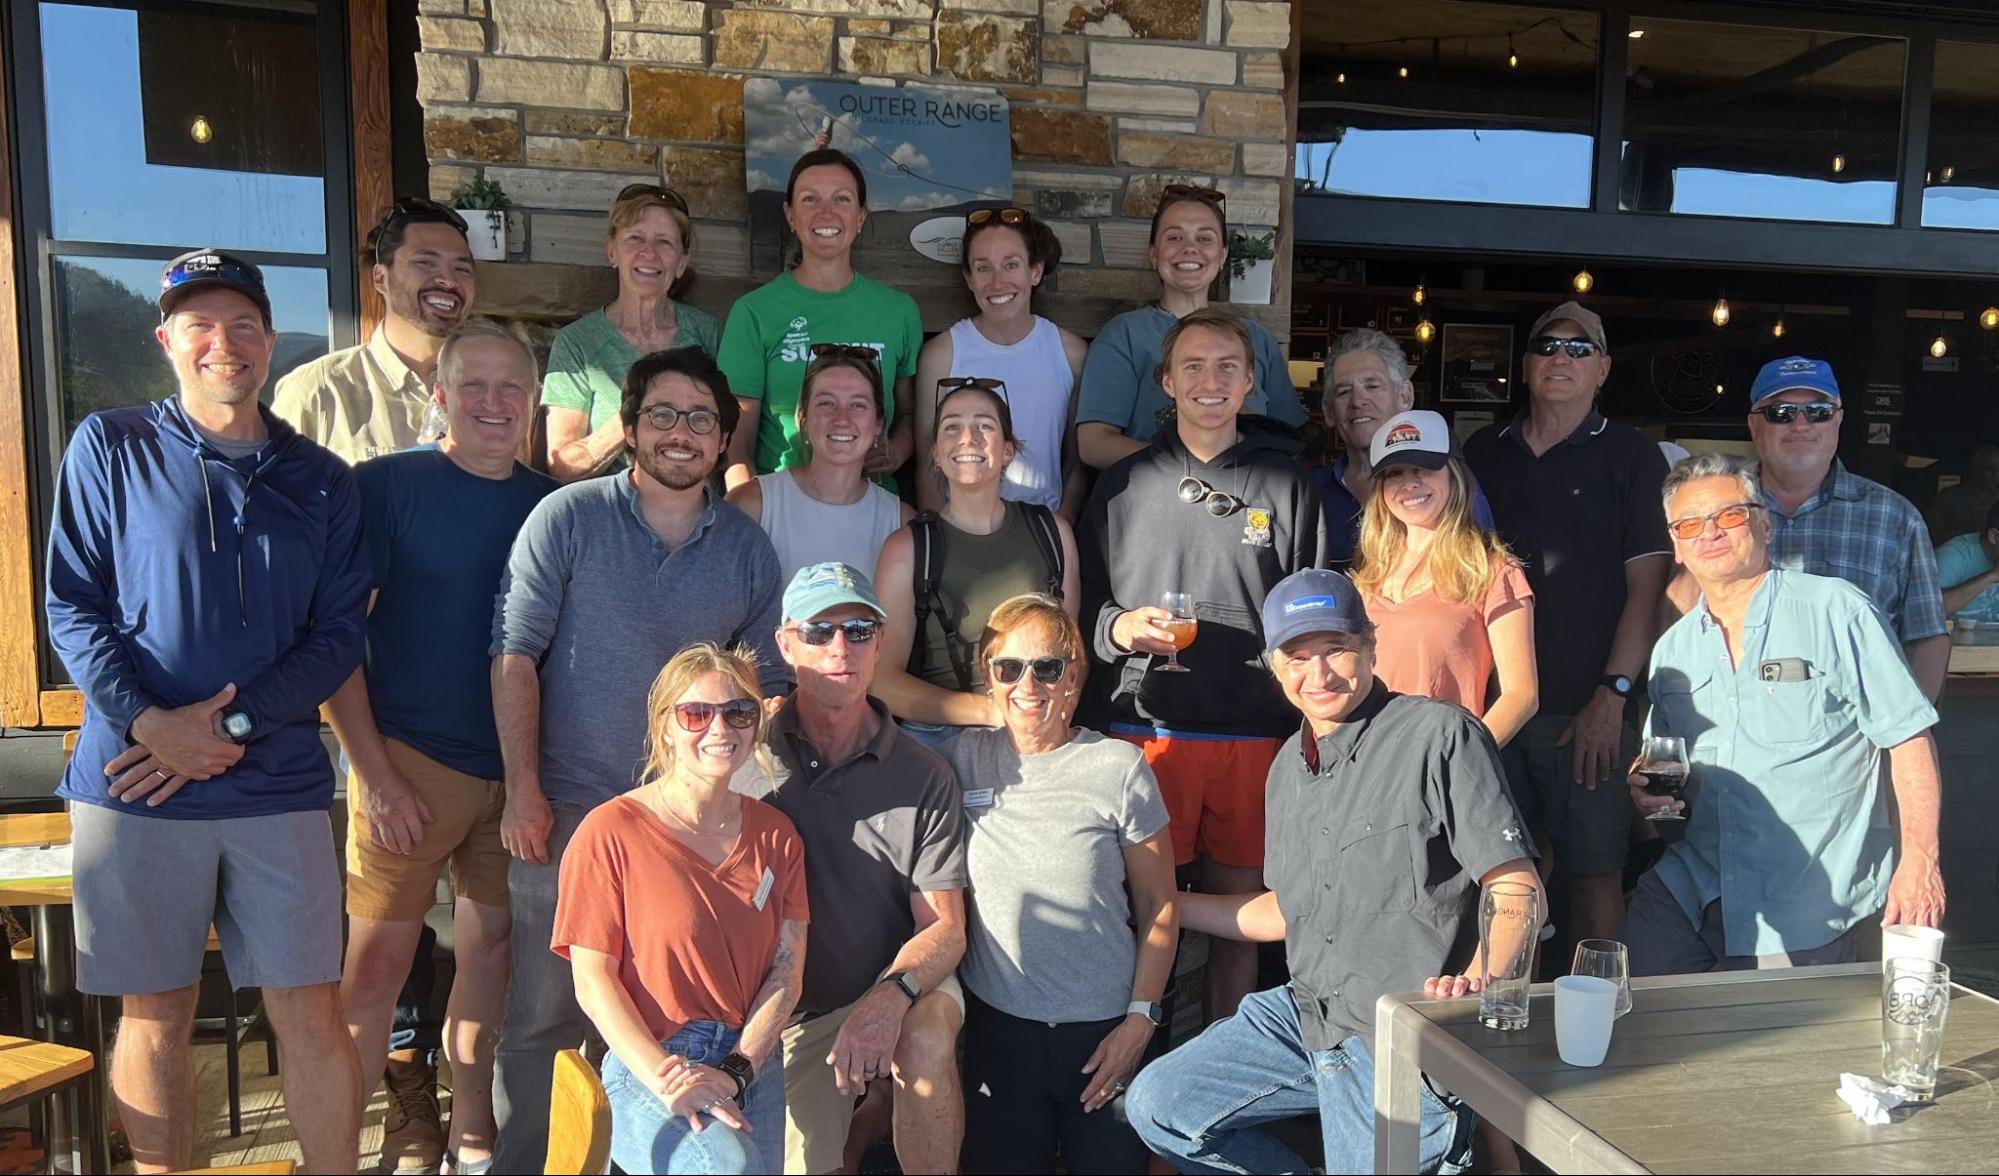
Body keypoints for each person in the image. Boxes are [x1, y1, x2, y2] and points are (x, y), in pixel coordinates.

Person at [45, 249, 370, 1173]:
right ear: (166, 340)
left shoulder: (323, 479)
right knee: (156, 1008)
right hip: (133, 778)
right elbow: (73, 604)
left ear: (268, 341)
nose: (221, 343)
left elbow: (338, 634)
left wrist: (225, 729)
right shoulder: (109, 446)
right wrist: (152, 724)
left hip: (274, 783)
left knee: (309, 1003)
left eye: (240, 325)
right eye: (199, 324)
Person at [1125, 569, 1539, 1175]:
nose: (1318, 675)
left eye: (1336, 650)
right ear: (1273, 665)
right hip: (1309, 1013)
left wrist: (1475, 986)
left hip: (1403, 1029)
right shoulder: (1286, 767)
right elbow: (1282, 911)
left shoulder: (1440, 733)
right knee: (1162, 1105)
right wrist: (1161, 902)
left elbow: (1519, 891)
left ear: (1371, 646)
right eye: (1297, 656)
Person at [489, 347, 790, 1170]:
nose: (681, 432)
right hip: (569, 809)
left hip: (689, 833)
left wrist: (734, 806)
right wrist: (522, 790)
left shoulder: (745, 548)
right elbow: (515, 655)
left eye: (701, 419)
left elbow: (762, 689)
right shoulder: (567, 517)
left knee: (670, 1023)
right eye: (662, 414)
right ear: (629, 428)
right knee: (544, 1020)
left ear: (726, 438)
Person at [326, 319, 556, 1175]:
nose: (494, 404)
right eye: (476, 387)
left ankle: (470, 1130)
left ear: (532, 403)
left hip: (516, 773)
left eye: (511, 390)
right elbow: (334, 641)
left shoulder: (550, 502)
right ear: (440, 396)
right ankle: (335, 1144)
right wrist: (374, 773)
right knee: (377, 965)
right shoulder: (384, 487)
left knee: (489, 954)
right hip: (409, 762)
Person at [1078, 307, 1327, 1023]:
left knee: (1239, 923)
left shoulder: (1287, 487)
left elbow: (1310, 618)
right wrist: (1119, 625)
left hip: (1255, 734)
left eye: (1226, 367)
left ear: (1250, 382)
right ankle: (1120, 1081)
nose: (1209, 381)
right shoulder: (1121, 484)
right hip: (1141, 732)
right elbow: (1082, 599)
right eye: (1192, 366)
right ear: (1165, 381)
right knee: (1136, 918)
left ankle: (1219, 1077)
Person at [1622, 454, 1944, 973]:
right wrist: (1649, 798)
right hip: (1692, 883)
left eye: (1729, 515)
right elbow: (1666, 799)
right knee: (1624, 1006)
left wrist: (1920, 862)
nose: (1711, 533)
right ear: (1677, 545)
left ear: (1764, 524)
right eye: (1690, 524)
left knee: (1772, 1048)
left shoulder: (1838, 610)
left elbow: (1908, 739)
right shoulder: (1672, 651)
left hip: (1807, 898)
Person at [735, 562, 969, 1176]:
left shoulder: (924, 772)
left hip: (895, 980)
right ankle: (865, 1122)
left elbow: (945, 928)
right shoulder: (739, 747)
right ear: (785, 644)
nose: (840, 648)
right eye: (818, 631)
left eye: (859, 629)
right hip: (785, 1008)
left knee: (924, 1038)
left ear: (880, 643)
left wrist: (888, 1000)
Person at [941, 594, 1177, 1174]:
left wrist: (1141, 1018)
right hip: (1000, 1032)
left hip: (1103, 1032)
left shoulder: (1120, 767)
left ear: (1073, 676)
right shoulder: (960, 759)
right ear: (989, 680)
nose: (1029, 684)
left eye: (1046, 667)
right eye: (1009, 668)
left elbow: (1159, 903)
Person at [554, 644, 808, 1175]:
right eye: (697, 713)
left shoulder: (776, 835)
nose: (720, 728)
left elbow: (786, 973)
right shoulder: (609, 832)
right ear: (665, 726)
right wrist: (668, 1078)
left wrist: (738, 1070)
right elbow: (593, 982)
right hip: (652, 1056)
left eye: (740, 711)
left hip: (751, 1058)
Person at [1464, 300, 1671, 948]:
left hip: (1584, 711)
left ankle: (1600, 1032)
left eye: (1579, 349)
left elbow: (1648, 591)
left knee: (1592, 877)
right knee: (1499, 880)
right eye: (1547, 346)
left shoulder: (1632, 456)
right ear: (1524, 365)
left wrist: (1611, 696)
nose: (1561, 358)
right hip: (1493, 706)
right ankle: (1500, 1027)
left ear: (1603, 367)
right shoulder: (1479, 452)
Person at [1663, 356, 1949, 701]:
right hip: (1727, 732)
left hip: (1857, 744)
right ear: (1754, 425)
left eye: (1818, 412)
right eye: (1780, 413)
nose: (1800, 424)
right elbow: (1676, 618)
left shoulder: (1896, 517)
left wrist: (1908, 736)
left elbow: (1926, 636)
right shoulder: (1709, 509)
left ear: (1838, 420)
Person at [874, 379, 1081, 744]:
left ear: (1008, 450)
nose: (968, 437)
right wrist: (991, 711)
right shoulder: (908, 547)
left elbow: (1073, 655)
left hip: (1037, 732)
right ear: (936, 452)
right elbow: (882, 682)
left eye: (985, 425)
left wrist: (1048, 724)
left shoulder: (1053, 533)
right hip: (940, 740)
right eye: (951, 426)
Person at [718, 149, 922, 490]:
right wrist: (749, 515)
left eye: (841, 199)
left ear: (860, 216)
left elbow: (908, 414)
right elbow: (736, 444)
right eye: (810, 199)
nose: (826, 212)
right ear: (790, 215)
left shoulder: (899, 311)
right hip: (781, 506)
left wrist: (898, 451)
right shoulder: (754, 312)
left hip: (872, 506)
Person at [1076, 184, 1304, 470]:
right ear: (1154, 254)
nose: (1189, 248)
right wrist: (1191, 470)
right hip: (1155, 501)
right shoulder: (1124, 336)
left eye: (1204, 238)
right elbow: (1094, 444)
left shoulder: (1258, 339)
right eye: (1174, 237)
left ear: (1222, 256)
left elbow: (1288, 440)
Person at [1352, 409, 1537, 747]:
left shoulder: (1493, 570)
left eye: (1423, 468)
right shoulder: (1366, 577)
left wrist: (1463, 758)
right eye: (1394, 473)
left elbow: (1521, 695)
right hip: (1367, 767)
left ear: (1454, 474)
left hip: (1441, 770)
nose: (1410, 483)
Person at [543, 184, 724, 482]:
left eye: (664, 242)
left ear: (681, 262)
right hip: (613, 516)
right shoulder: (577, 343)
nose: (648, 253)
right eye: (635, 238)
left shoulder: (710, 333)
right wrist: (643, 406)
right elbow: (563, 467)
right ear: (612, 251)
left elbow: (729, 440)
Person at [274, 197, 477, 464]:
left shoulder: (495, 392)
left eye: (461, 268)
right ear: (381, 278)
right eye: (426, 263)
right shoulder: (319, 391)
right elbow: (274, 500)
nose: (448, 280)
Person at [913, 206, 1086, 518]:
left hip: (1043, 530)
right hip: (962, 532)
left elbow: (1076, 464)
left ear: (1035, 271)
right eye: (983, 268)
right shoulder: (942, 355)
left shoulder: (1071, 353)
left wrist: (1061, 534)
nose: (997, 282)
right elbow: (928, 468)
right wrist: (941, 543)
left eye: (1011, 265)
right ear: (968, 278)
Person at [726, 346, 912, 585]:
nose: (842, 419)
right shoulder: (750, 505)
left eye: (858, 405)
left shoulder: (902, 522)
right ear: (803, 418)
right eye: (827, 404)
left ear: (878, 423)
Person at [1316, 329, 1492, 568]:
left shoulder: (1447, 486)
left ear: (1405, 397)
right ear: (1328, 411)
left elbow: (1482, 577)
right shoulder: (1312, 492)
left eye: (1373, 386)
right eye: (1344, 392)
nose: (1358, 401)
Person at [1938, 499, 1999, 626]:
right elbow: (1927, 611)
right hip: (1954, 645)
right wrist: (1991, 576)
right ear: (1994, 537)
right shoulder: (1954, 555)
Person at [1926, 442, 1999, 545]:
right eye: (1990, 470)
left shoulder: (1997, 500)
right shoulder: (1949, 497)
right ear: (1976, 469)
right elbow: (1930, 533)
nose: (1996, 475)